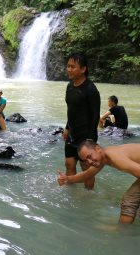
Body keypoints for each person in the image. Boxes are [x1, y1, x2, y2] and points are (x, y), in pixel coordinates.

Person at [57, 140, 140, 224]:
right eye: (85, 160)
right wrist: (68, 179)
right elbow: (87, 174)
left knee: (129, 200)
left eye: (89, 156)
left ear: (97, 148)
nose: (89, 162)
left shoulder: (113, 156)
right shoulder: (103, 157)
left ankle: (122, 234)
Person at [62, 53, 101, 189]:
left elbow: (96, 115)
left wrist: (90, 139)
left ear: (83, 69)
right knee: (69, 164)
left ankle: (88, 196)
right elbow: (71, 109)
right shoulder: (69, 86)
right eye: (68, 66)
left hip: (86, 135)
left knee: (87, 169)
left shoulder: (91, 89)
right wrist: (67, 127)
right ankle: (71, 195)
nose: (69, 69)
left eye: (73, 67)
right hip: (72, 133)